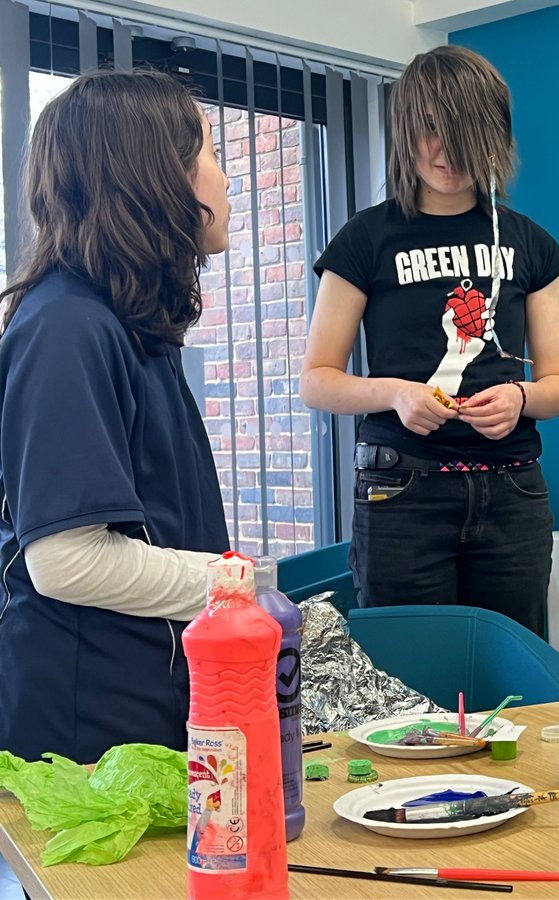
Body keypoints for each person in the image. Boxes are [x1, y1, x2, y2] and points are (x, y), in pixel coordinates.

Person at [301, 46, 559, 637]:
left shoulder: (532, 244)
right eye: (428, 130)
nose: (444, 153)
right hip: (402, 492)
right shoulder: (364, 240)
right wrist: (397, 394)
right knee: (409, 694)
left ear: (493, 135)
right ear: (405, 131)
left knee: (513, 692)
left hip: (512, 493)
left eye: (463, 133)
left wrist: (520, 400)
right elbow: (317, 380)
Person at [0, 69, 232, 762]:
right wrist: (235, 585)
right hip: (85, 734)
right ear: (154, 177)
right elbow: (65, 561)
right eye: (209, 155)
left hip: (141, 707)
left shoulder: (130, 325)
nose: (224, 180)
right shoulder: (68, 327)